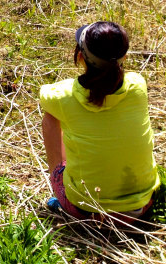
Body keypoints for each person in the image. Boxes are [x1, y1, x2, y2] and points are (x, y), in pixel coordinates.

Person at [40, 21, 159, 223]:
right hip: (143, 204)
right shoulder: (138, 85)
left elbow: (44, 94)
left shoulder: (63, 97)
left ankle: (59, 185)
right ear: (124, 56)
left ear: (80, 56)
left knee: (51, 117)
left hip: (87, 209)